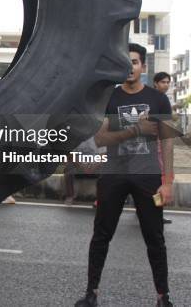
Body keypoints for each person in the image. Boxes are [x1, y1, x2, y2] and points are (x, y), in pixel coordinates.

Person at [75, 44, 175, 307]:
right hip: (113, 174)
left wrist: (168, 182)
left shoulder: (158, 99)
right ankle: (91, 293)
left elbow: (167, 142)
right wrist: (135, 129)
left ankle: (163, 297)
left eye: (135, 62)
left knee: (155, 238)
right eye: (125, 62)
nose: (130, 67)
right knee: (101, 235)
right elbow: (99, 137)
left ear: (143, 66)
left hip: (147, 175)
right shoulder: (110, 98)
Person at [153, 72, 174, 225]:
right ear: (155, 83)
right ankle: (155, 214)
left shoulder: (163, 99)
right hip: (154, 145)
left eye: (168, 82)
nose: (166, 85)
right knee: (159, 180)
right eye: (163, 82)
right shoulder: (154, 99)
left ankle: (153, 212)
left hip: (160, 145)